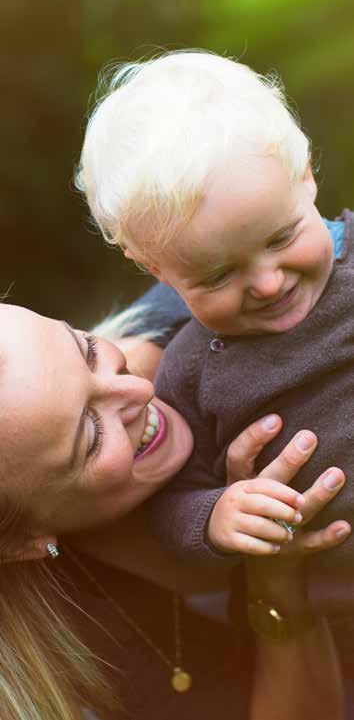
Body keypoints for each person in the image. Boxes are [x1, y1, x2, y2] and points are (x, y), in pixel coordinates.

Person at [77, 49, 354, 612]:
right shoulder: (192, 369)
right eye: (219, 274)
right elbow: (172, 504)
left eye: (281, 237)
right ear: (158, 270)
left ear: (306, 178)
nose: (270, 282)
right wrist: (215, 516)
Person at [0, 295, 349, 720]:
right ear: (24, 543)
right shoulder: (69, 642)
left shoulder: (214, 292)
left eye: (86, 350)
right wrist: (274, 577)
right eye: (90, 435)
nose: (140, 388)